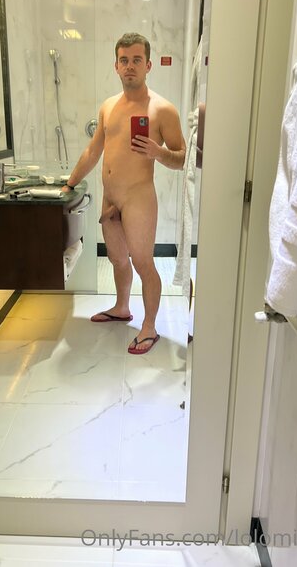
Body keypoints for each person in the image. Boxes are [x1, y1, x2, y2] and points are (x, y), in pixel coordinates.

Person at [62, 32, 186, 354]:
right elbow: (93, 151)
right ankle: (121, 307)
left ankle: (150, 327)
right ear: (116, 66)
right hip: (110, 196)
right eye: (124, 60)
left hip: (138, 198)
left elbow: (182, 158)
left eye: (136, 60)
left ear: (148, 65)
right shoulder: (108, 107)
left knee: (143, 262)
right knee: (117, 259)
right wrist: (70, 183)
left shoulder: (163, 109)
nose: (130, 66)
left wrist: (159, 153)